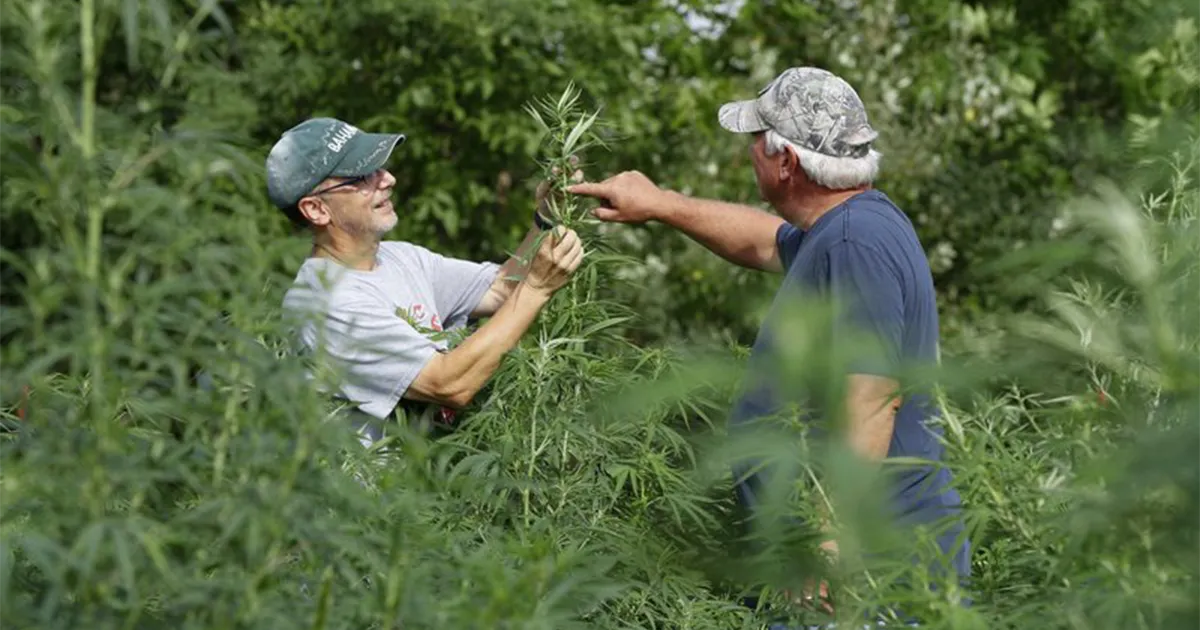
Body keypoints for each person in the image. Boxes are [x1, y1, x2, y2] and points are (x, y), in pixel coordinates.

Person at [567, 67, 970, 617]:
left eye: (757, 140)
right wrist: (660, 203)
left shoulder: (854, 245)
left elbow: (872, 399)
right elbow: (761, 242)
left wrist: (829, 545)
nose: (749, 151)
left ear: (787, 162)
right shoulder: (844, 228)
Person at [265, 117, 584, 444]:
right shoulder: (327, 304)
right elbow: (448, 384)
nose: (388, 179)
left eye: (381, 167)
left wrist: (546, 217)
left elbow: (502, 288)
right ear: (316, 209)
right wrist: (536, 289)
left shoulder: (400, 257)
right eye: (363, 175)